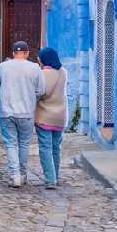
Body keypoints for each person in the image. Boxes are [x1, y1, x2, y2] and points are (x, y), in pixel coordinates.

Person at [0, 41, 45, 187]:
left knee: (10, 144)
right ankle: (22, 174)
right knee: (24, 144)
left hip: (7, 111)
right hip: (27, 112)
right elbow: (41, 90)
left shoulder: (3, 66)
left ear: (13, 53)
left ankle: (15, 175)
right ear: (27, 53)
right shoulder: (34, 68)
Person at [35, 47, 68, 189]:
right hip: (60, 116)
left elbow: (43, 92)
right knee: (56, 148)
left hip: (45, 116)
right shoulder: (63, 72)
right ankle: (56, 176)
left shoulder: (45, 74)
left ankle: (50, 179)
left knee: (45, 148)